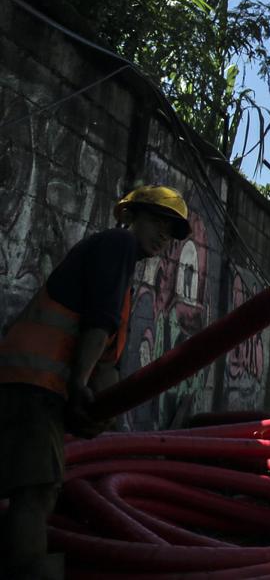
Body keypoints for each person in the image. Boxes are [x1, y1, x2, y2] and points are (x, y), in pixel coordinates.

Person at [0, 184, 190, 579]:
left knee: (30, 484)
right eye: (157, 221)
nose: (163, 236)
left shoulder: (115, 262)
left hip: (29, 384)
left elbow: (107, 356)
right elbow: (97, 325)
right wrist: (79, 387)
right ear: (131, 216)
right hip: (34, 384)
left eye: (171, 231)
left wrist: (101, 407)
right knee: (35, 489)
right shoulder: (117, 244)